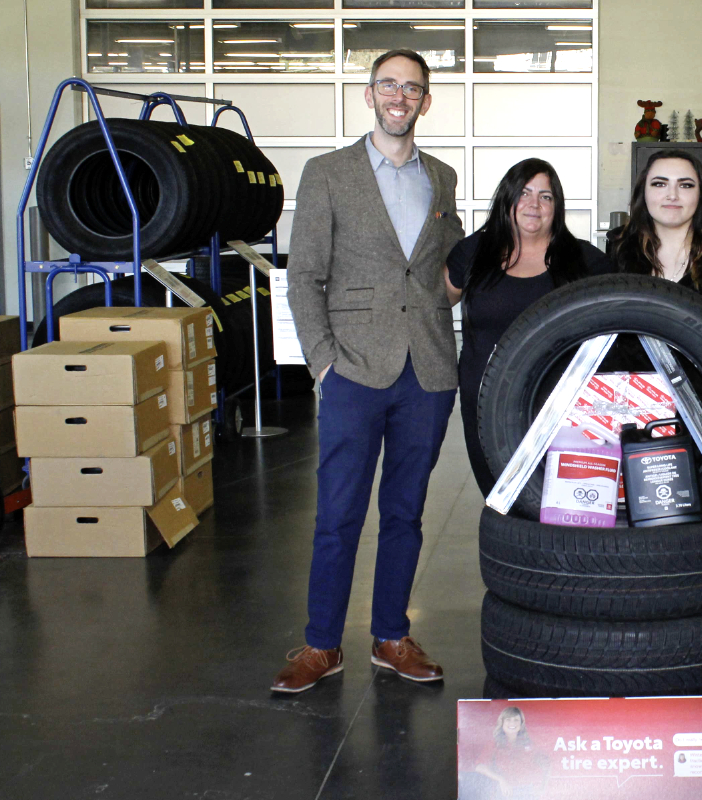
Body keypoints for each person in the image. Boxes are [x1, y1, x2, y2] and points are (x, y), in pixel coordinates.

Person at [275, 48, 464, 693]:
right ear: (370, 94)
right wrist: (323, 363)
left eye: (412, 88)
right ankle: (321, 644)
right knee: (338, 514)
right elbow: (304, 276)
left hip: (428, 371)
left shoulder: (442, 177)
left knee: (405, 512)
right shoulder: (327, 173)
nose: (399, 97)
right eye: (389, 85)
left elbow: (446, 272)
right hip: (352, 370)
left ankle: (390, 635)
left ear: (426, 101)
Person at [445, 158, 613, 496]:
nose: (533, 204)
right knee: (499, 495)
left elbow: (616, 326)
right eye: (524, 193)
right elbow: (431, 307)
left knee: (558, 500)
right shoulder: (473, 252)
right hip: (485, 403)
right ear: (506, 198)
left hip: (561, 407)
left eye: (545, 196)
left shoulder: (584, 260)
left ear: (556, 206)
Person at [607, 148, 702, 322]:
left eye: (685, 185)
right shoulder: (620, 248)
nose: (672, 195)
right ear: (643, 191)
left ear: (701, 193)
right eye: (659, 184)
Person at [460, 706, 547, 800]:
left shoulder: (529, 743)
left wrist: (542, 786)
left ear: (521, 723)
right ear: (502, 723)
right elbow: (479, 766)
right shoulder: (495, 744)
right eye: (508, 720)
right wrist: (500, 779)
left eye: (516, 720)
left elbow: (545, 764)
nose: (512, 723)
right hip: (504, 792)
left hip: (527, 791)